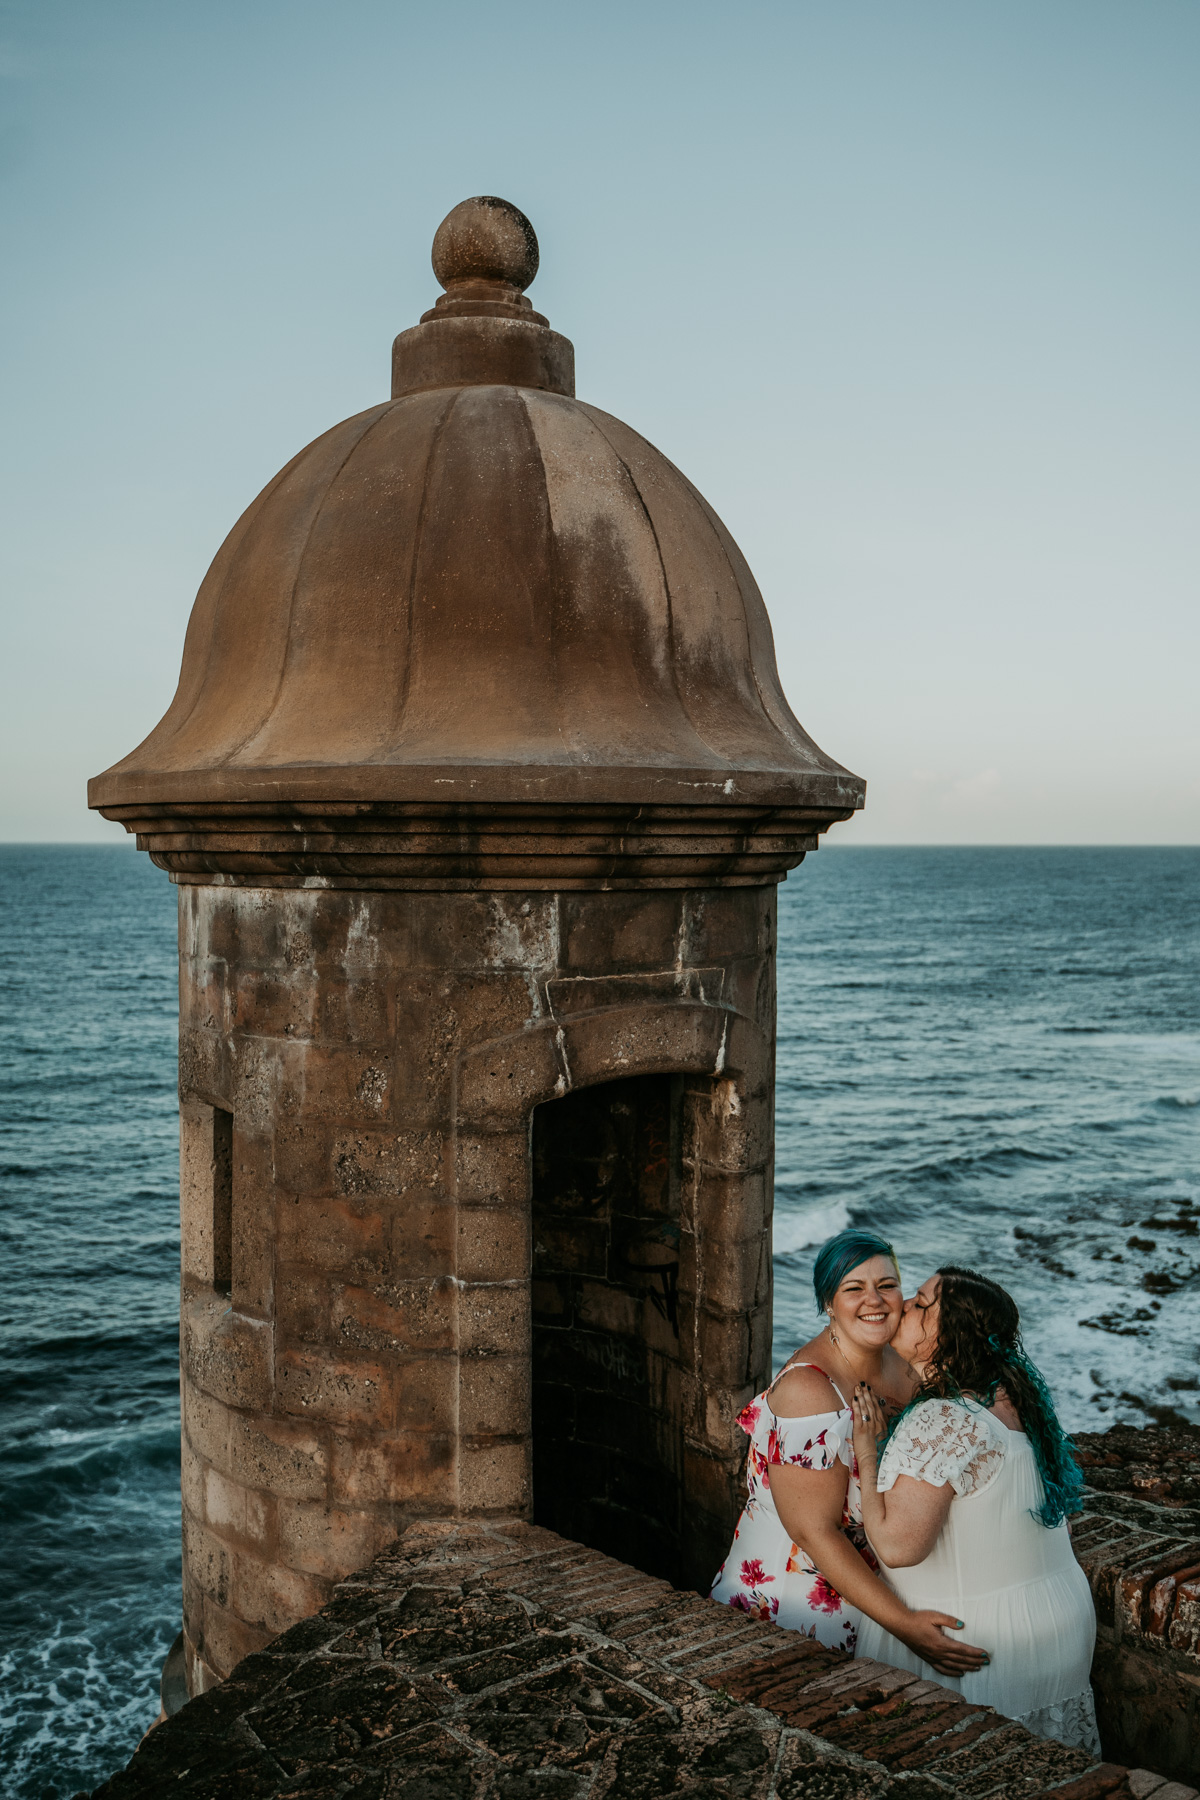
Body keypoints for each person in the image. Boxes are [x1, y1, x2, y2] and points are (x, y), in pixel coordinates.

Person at [710, 1229, 988, 1677]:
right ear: (827, 1303)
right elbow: (814, 1531)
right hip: (796, 1605)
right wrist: (907, 1626)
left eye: (887, 1285)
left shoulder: (901, 1362)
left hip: (870, 1596)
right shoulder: (810, 1391)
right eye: (853, 1288)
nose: (874, 1301)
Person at [850, 1265, 1099, 1754]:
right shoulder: (1013, 1399)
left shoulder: (944, 1417)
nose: (902, 1306)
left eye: (921, 1304)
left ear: (948, 1336)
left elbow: (898, 1548)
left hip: (978, 1640)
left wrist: (866, 1447)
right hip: (1055, 1617)